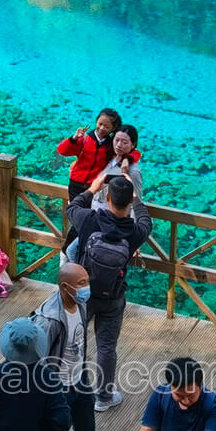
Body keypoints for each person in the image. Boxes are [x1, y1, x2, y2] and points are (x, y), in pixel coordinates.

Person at [63, 171, 152, 412]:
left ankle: (74, 389)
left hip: (83, 293)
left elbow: (72, 207)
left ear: (108, 198)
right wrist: (136, 198)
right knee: (106, 347)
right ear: (128, 201)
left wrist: (92, 189)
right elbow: (146, 220)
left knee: (76, 341)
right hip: (113, 297)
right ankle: (103, 396)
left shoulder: (89, 220)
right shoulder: (134, 233)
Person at [31, 261, 95, 431]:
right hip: (59, 387)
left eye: (87, 281)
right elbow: (36, 360)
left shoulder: (82, 305)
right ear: (66, 287)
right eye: (82, 283)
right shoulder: (49, 320)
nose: (87, 287)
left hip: (81, 380)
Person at [56, 109, 126, 199]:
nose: (101, 128)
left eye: (106, 127)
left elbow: (133, 152)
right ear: (96, 121)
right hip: (76, 184)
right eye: (100, 124)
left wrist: (127, 159)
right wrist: (73, 138)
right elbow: (62, 151)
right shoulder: (84, 139)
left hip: (95, 186)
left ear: (113, 129)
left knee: (89, 211)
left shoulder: (112, 144)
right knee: (75, 211)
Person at [97, 125, 142, 198]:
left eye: (124, 142)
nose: (118, 145)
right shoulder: (108, 157)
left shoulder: (133, 171)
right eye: (116, 140)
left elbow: (137, 199)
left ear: (133, 145)